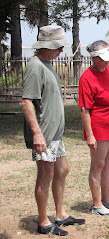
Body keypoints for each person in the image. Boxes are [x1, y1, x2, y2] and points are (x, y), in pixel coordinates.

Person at [21, 25, 85, 236]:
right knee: (45, 176)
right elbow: (27, 102)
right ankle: (43, 221)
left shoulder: (47, 64)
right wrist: (37, 133)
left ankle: (60, 214)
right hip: (45, 135)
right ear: (46, 47)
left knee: (63, 170)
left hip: (55, 134)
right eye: (57, 47)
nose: (60, 51)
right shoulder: (35, 66)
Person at [78, 40, 109, 216]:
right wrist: (90, 135)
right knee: (98, 164)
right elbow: (85, 109)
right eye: (103, 59)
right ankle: (97, 204)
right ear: (94, 58)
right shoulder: (86, 78)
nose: (107, 62)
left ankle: (106, 200)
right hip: (99, 127)